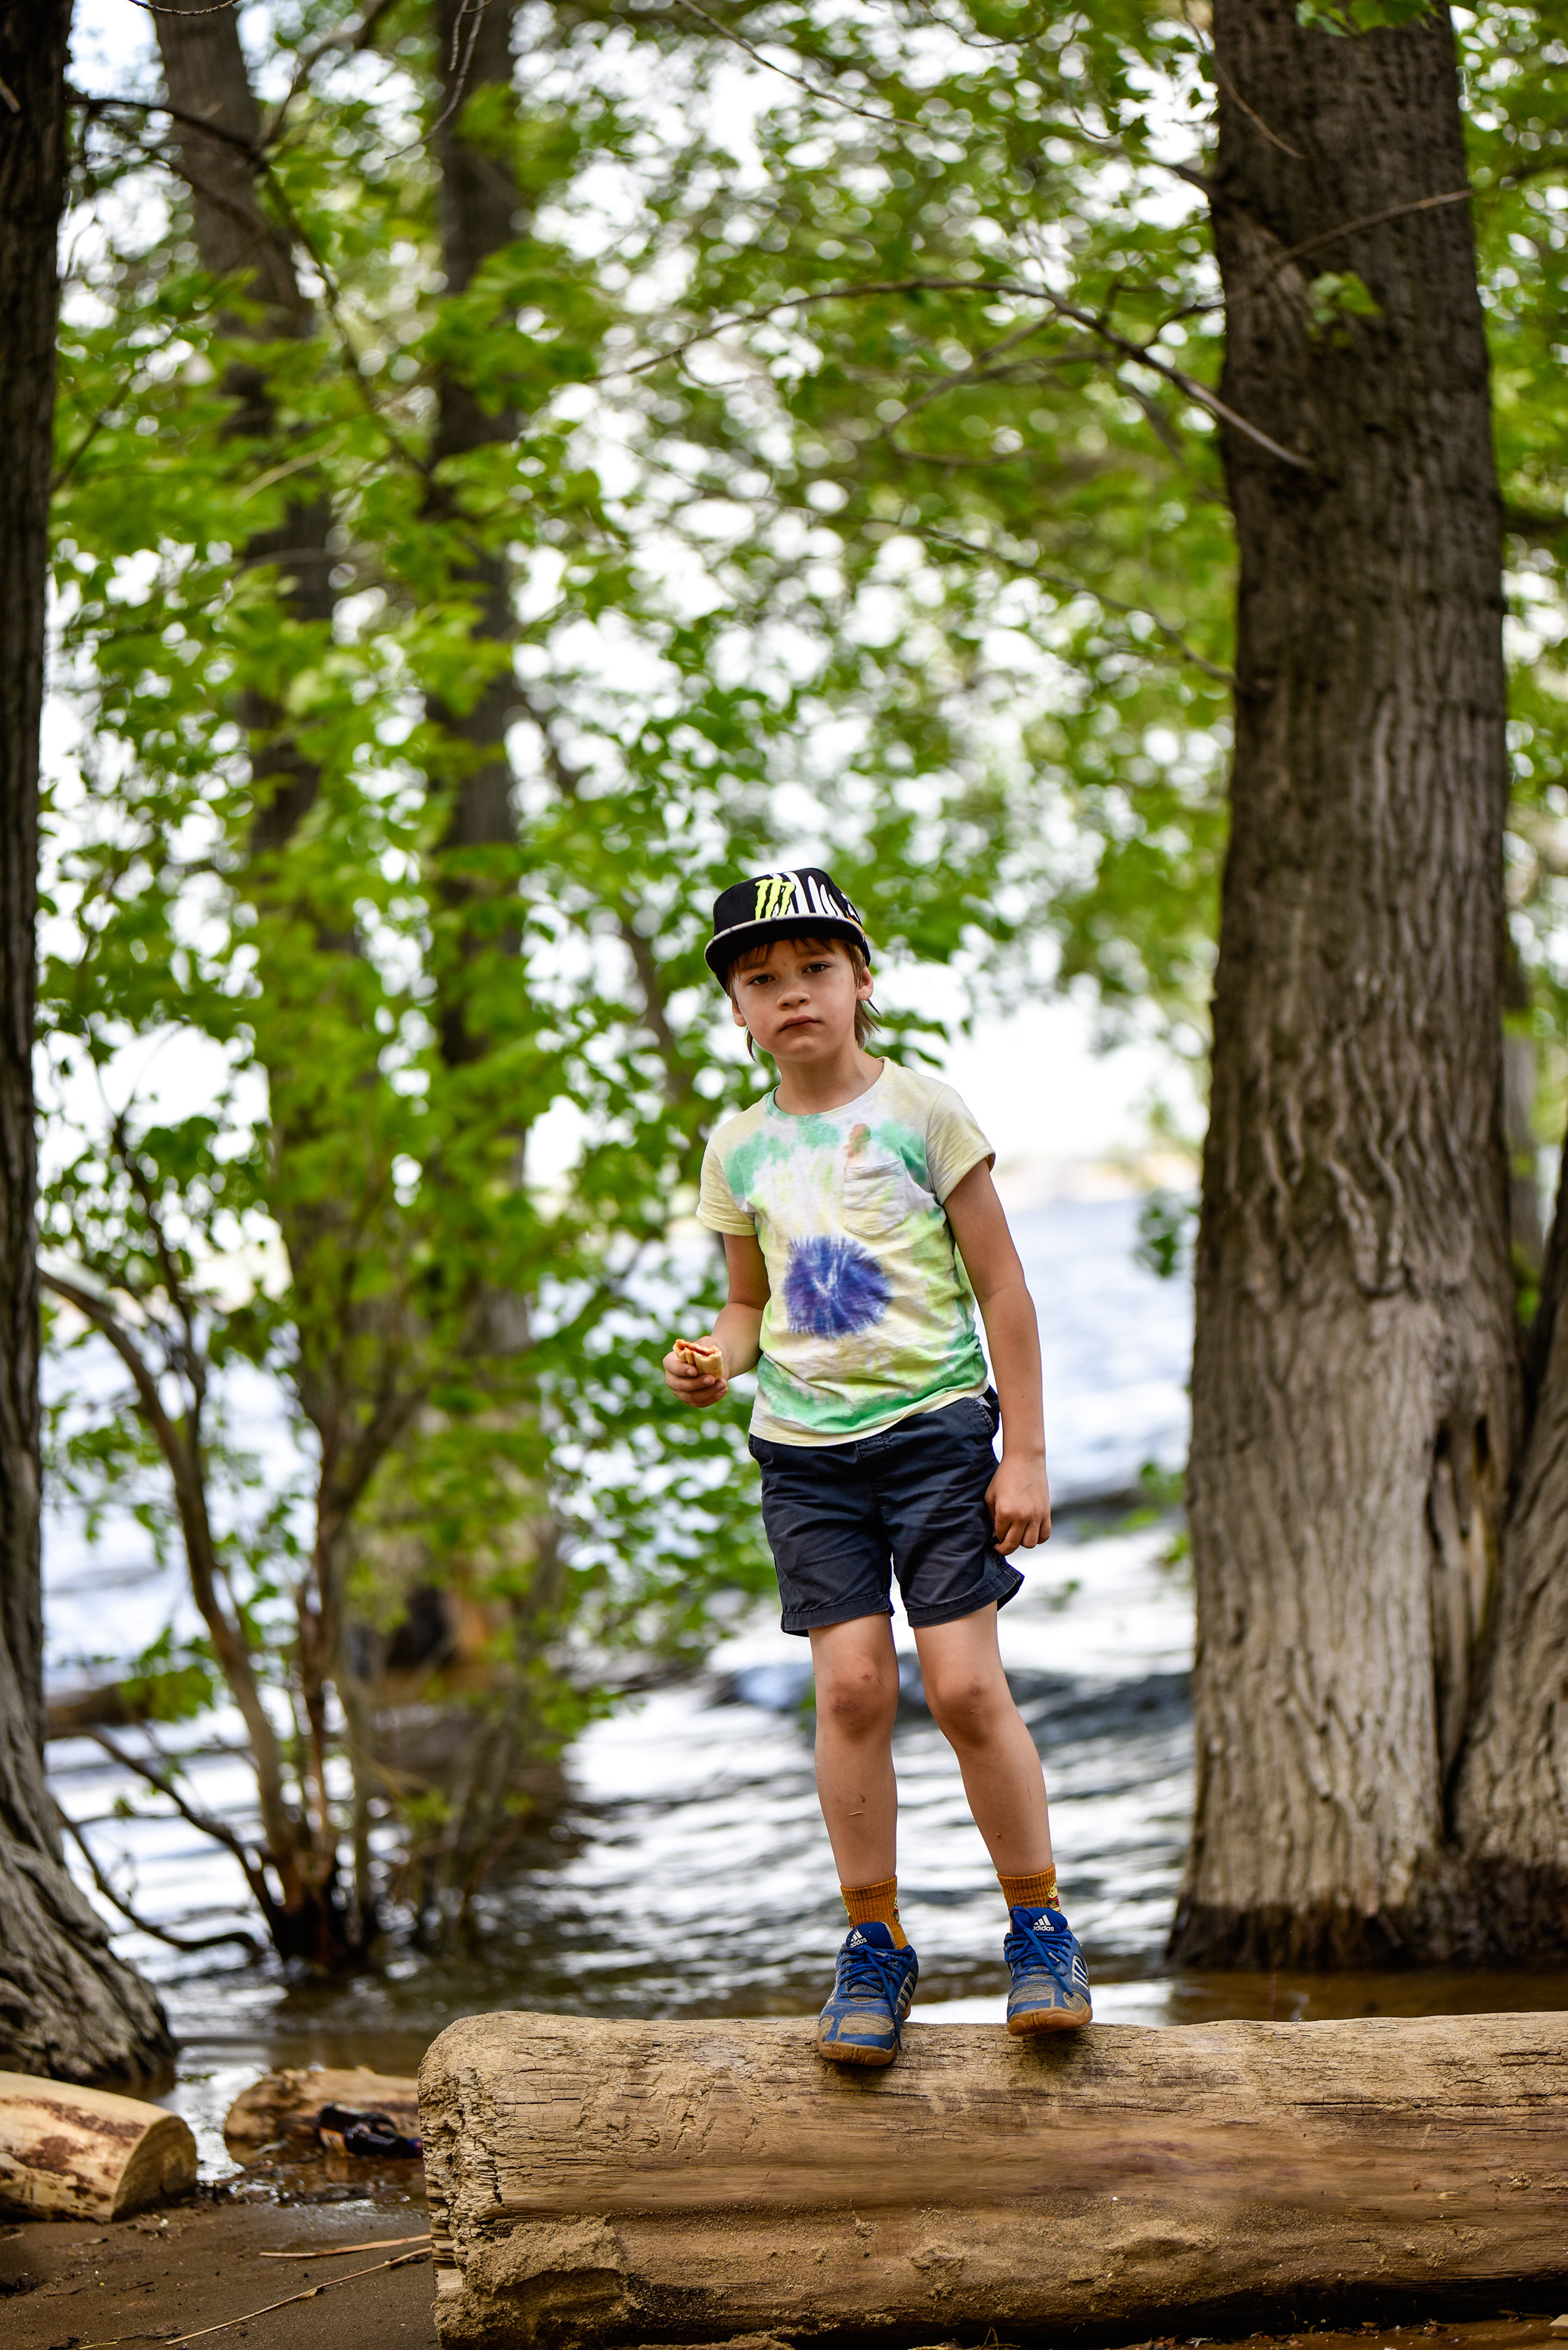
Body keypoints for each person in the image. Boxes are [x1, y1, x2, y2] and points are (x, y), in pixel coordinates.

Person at [664, 867, 1091, 2067]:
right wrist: (715, 1360)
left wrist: (1027, 1453)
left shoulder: (924, 1112)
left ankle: (1038, 1928)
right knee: (850, 1691)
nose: (792, 995)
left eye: (814, 970)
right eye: (763, 980)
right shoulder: (737, 1147)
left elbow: (1003, 1285)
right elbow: (748, 1308)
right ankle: (875, 1944)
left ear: (860, 980)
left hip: (937, 1433)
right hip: (806, 1457)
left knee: (960, 1690)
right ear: (738, 1011)